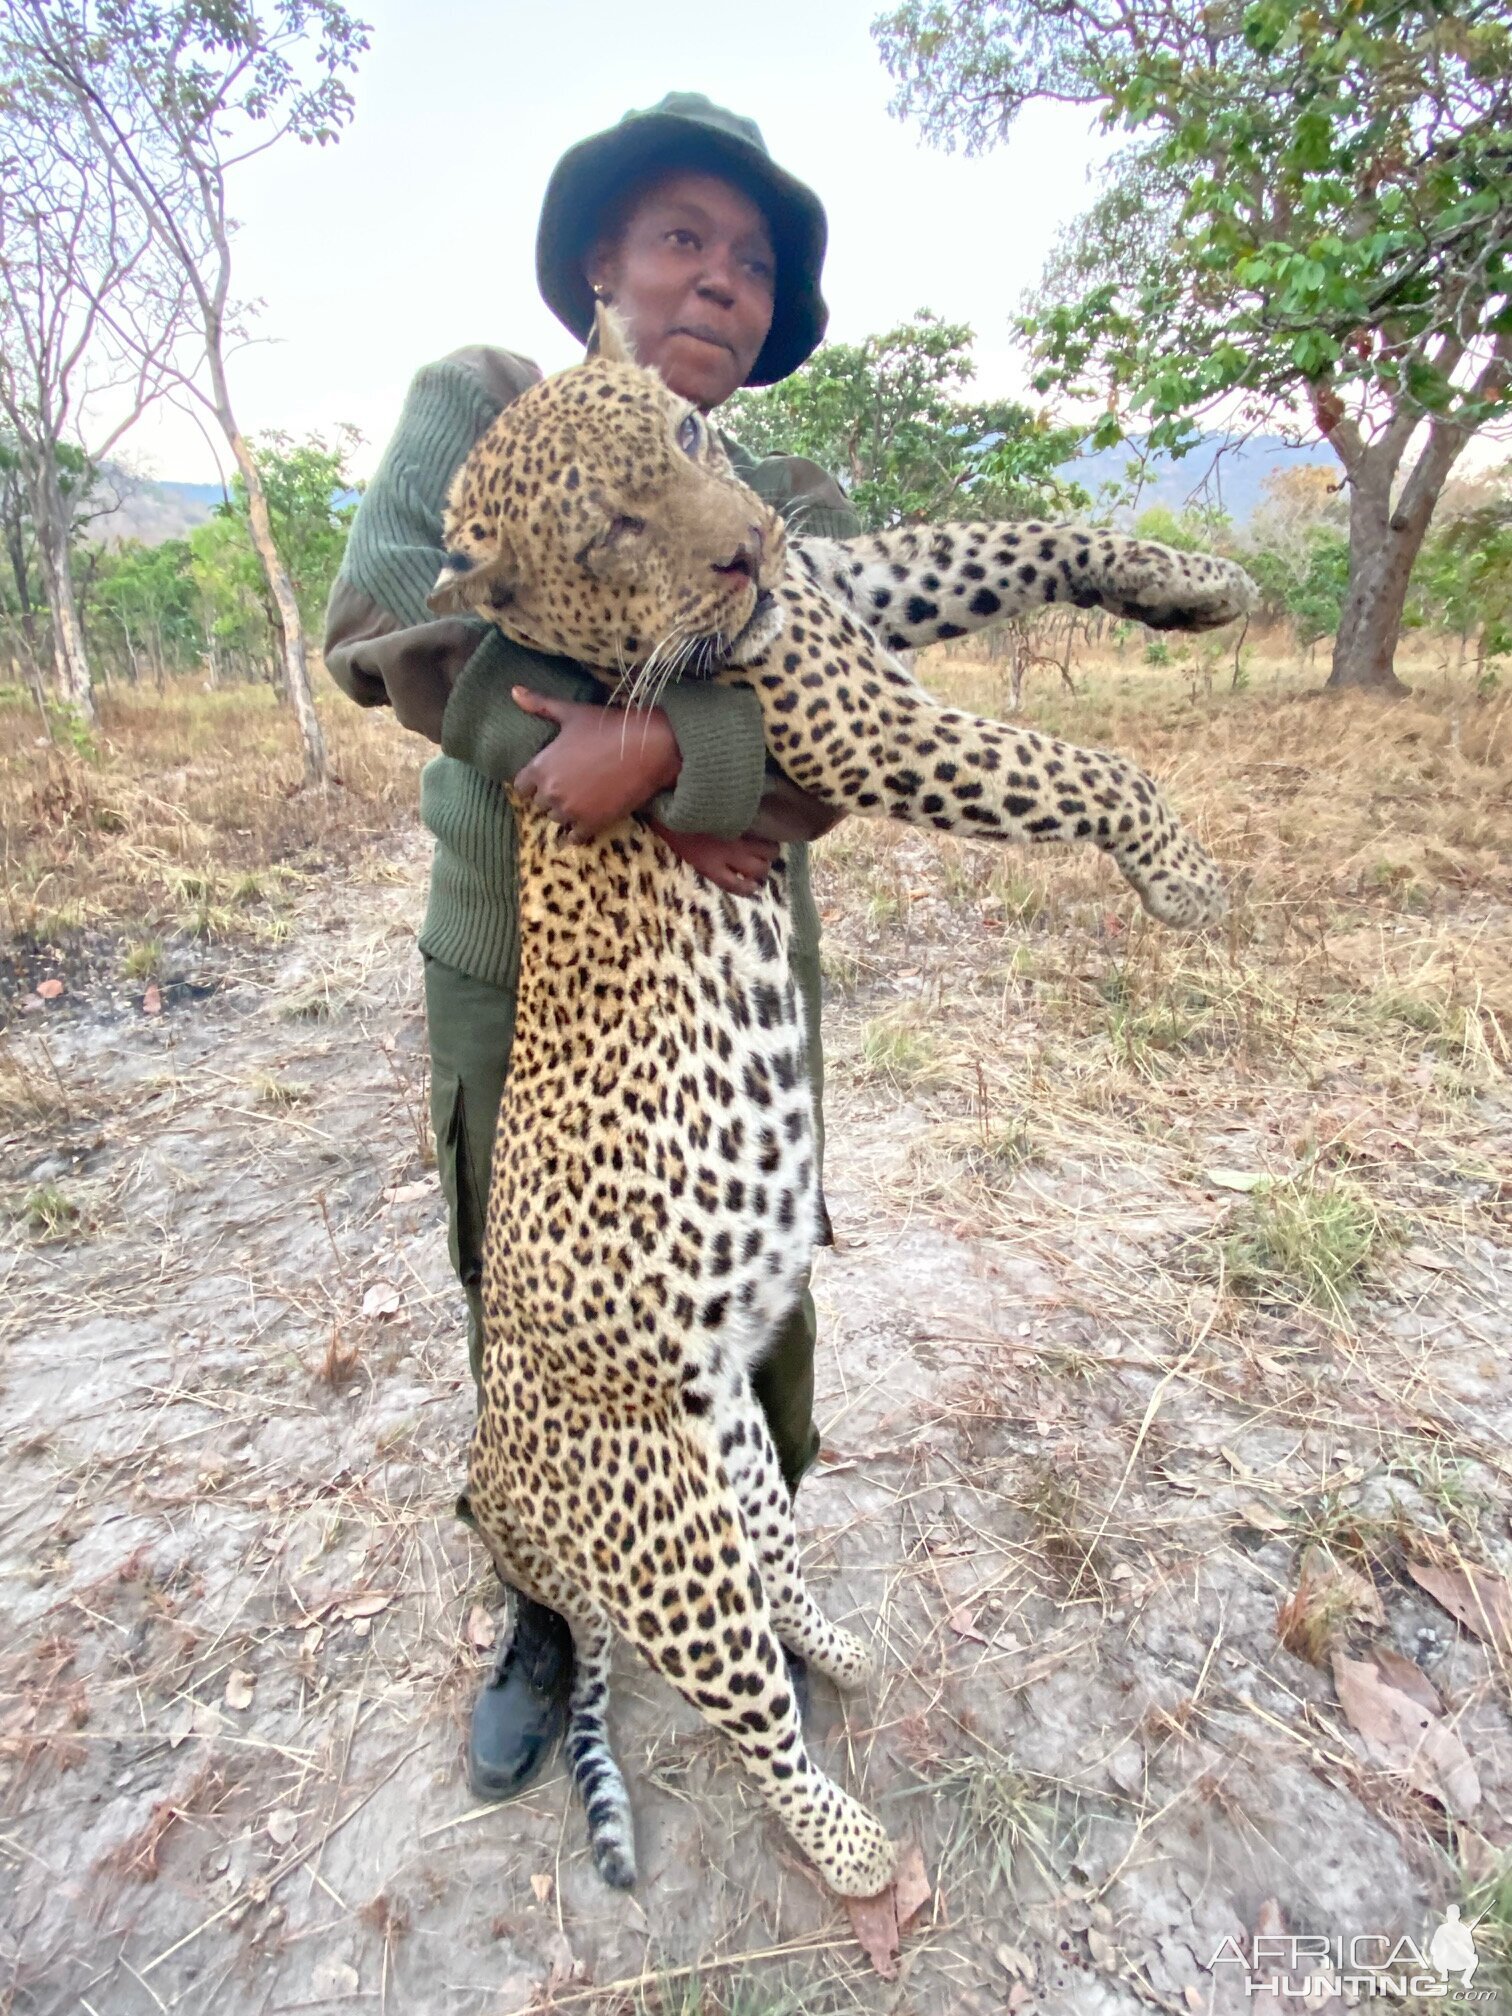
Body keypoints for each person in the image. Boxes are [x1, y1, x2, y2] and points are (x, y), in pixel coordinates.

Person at [323, 93, 859, 1806]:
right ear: (598, 271)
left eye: (755, 260)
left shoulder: (774, 494)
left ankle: (745, 1561)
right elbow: (391, 623)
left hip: (733, 978)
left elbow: (835, 739)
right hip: (523, 974)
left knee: (742, 1282)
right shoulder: (481, 404)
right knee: (552, 1308)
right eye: (683, 238)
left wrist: (681, 757)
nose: (723, 280)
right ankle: (549, 1608)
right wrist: (600, 760)